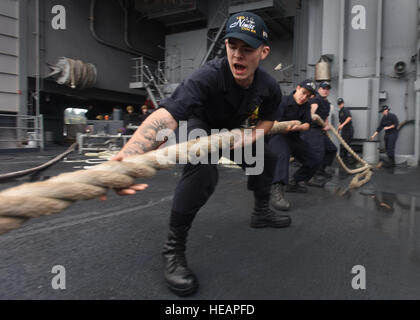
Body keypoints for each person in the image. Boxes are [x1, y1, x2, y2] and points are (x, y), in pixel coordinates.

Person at [111, 11, 291, 296]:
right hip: (198, 126)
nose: (238, 56)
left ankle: (260, 212)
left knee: (265, 158)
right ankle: (173, 249)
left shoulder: (268, 86)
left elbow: (268, 119)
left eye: (247, 49)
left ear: (264, 52)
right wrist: (130, 156)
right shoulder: (207, 76)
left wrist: (252, 135)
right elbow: (167, 115)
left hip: (232, 132)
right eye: (233, 47)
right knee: (203, 167)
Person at [268, 79, 319, 208]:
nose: (304, 97)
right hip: (278, 136)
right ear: (297, 88)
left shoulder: (306, 105)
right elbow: (273, 124)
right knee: (283, 154)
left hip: (294, 137)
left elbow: (307, 124)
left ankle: (294, 182)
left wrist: (297, 127)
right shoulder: (283, 101)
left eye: (308, 96)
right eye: (303, 93)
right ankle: (277, 191)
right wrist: (286, 126)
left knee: (314, 160)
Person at [306, 81, 338, 179]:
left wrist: (327, 126)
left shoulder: (327, 104)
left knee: (332, 149)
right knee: (318, 152)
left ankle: (321, 170)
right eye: (323, 88)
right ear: (319, 89)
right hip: (311, 130)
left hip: (320, 130)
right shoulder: (316, 100)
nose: (325, 91)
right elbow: (310, 113)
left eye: (327, 89)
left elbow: (326, 118)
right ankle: (311, 176)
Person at [337, 98, 354, 163]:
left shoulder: (345, 110)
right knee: (344, 145)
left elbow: (349, 118)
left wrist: (342, 125)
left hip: (348, 129)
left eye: (341, 103)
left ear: (343, 103)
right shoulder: (340, 111)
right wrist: (338, 129)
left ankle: (351, 159)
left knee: (347, 145)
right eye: (339, 104)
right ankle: (345, 160)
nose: (340, 105)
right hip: (344, 130)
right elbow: (340, 122)